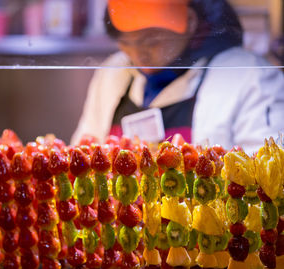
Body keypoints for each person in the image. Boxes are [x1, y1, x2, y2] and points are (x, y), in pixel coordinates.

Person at [71, 0, 284, 154]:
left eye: (151, 41)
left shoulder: (249, 76)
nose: (138, 55)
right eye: (126, 43)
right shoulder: (113, 72)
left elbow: (265, 179)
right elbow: (83, 153)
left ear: (190, 22)